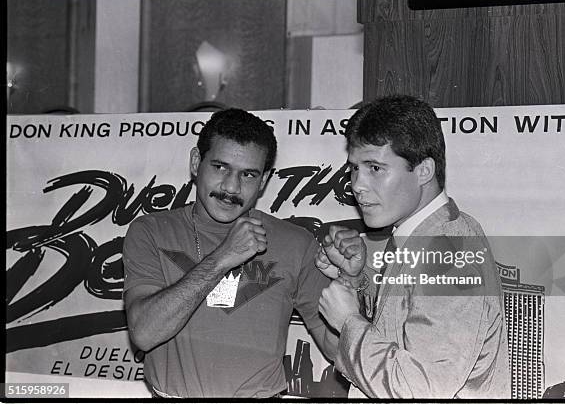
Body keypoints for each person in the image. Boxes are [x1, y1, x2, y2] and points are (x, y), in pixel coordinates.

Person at [122, 109, 335, 398]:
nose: (231, 187)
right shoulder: (151, 231)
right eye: (220, 167)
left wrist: (351, 279)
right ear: (196, 162)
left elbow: (337, 348)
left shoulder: (296, 242)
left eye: (248, 174)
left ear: (263, 181)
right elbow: (145, 334)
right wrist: (223, 257)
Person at [316, 95, 510, 398]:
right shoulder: (419, 238)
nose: (357, 185)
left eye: (375, 168)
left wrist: (350, 320)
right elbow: (345, 352)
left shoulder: (448, 252)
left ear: (423, 170)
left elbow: (420, 389)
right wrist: (349, 281)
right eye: (354, 168)